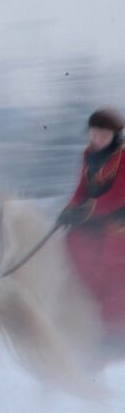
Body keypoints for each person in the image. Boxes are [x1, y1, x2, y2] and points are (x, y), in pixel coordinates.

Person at [60, 108, 125, 337]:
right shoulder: (88, 155)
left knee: (113, 262)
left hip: (119, 218)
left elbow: (119, 193)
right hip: (96, 218)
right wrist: (70, 208)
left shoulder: (123, 156)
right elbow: (81, 188)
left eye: (103, 134)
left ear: (114, 135)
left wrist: (88, 209)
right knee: (72, 242)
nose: (97, 138)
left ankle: (115, 330)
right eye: (94, 133)